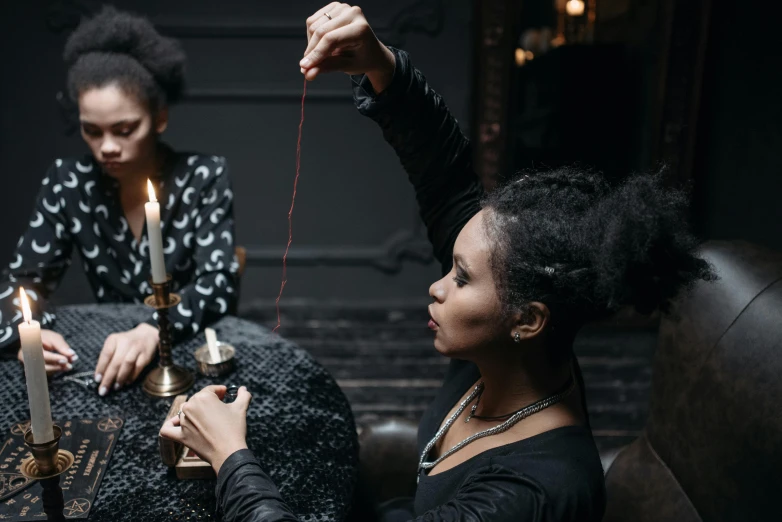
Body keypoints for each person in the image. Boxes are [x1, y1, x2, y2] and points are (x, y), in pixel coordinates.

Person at [160, 4, 713, 521]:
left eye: (462, 277)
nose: (436, 288)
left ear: (527, 318)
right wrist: (380, 63)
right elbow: (445, 179)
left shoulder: (528, 492)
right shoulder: (513, 352)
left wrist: (231, 454)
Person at [0, 7, 239, 397]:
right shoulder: (68, 181)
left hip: (187, 356)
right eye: (91, 131)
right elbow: (22, 282)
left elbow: (219, 283)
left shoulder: (203, 175)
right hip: (105, 360)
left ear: (159, 117)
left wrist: (152, 329)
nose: (107, 147)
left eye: (125, 129)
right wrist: (23, 336)